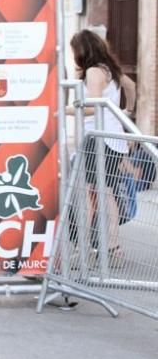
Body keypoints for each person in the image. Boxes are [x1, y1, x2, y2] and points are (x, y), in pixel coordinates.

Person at [66, 29, 130, 265]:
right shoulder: (108, 69)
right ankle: (113, 249)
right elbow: (130, 86)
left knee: (87, 192)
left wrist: (64, 109)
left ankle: (83, 247)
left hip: (98, 139)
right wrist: (126, 112)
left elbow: (92, 107)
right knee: (106, 193)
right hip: (113, 139)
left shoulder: (94, 71)